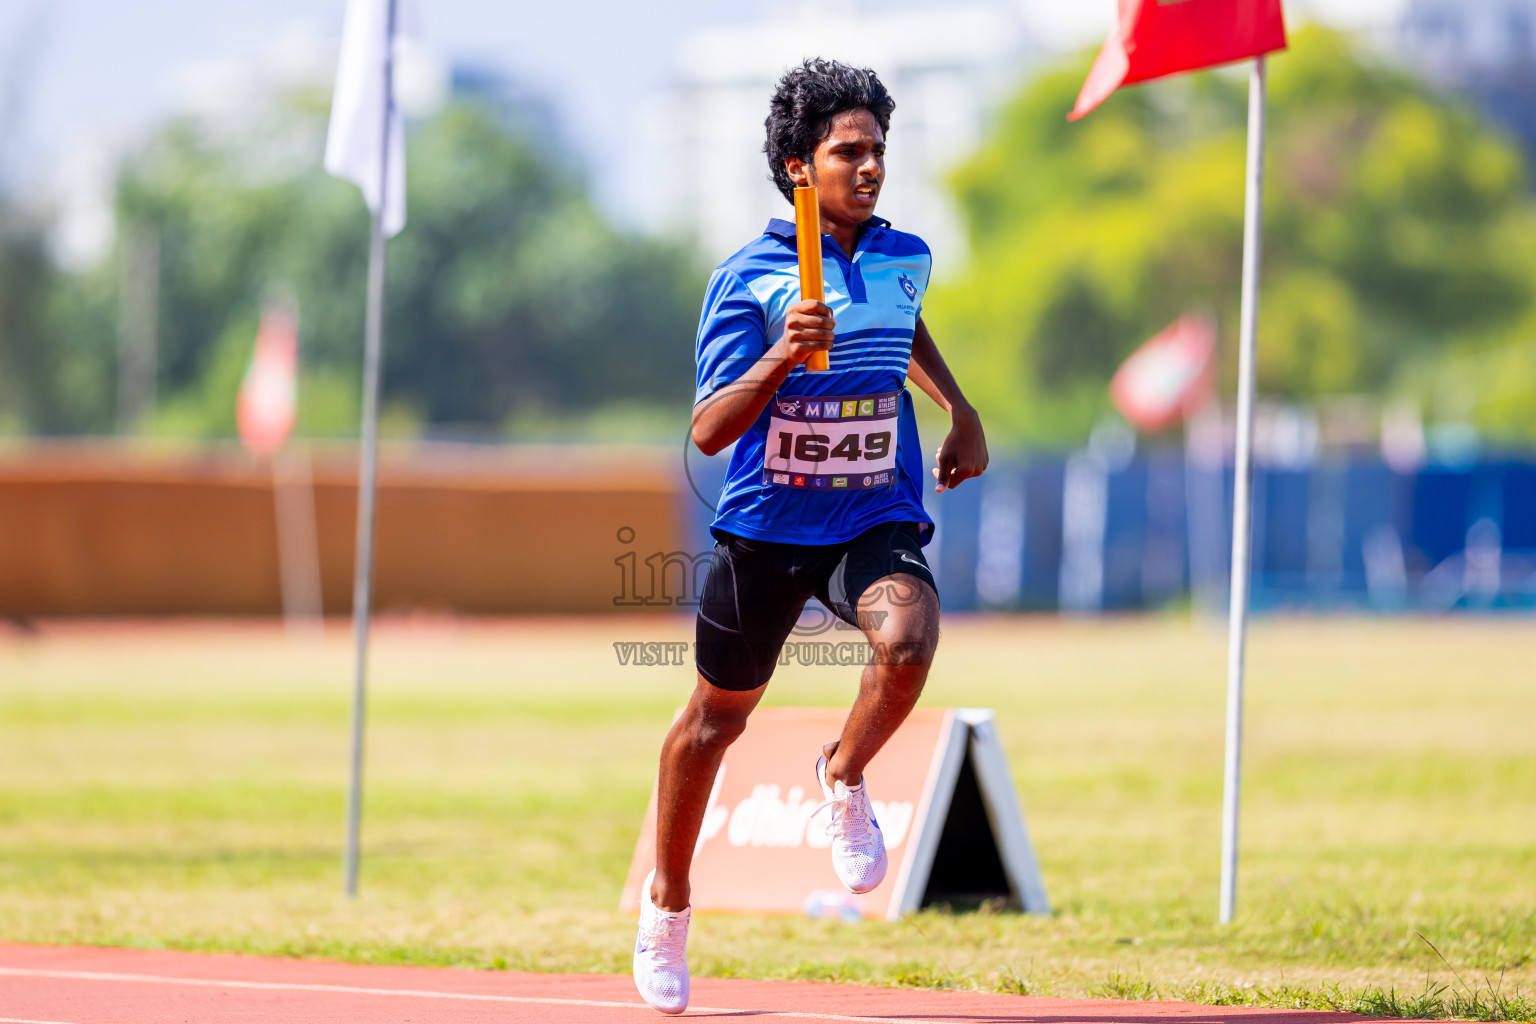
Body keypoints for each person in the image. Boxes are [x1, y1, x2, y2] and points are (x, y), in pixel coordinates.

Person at [632, 58, 989, 1015]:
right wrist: (785, 353)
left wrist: (957, 407)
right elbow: (707, 430)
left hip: (872, 511)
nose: (871, 167)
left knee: (909, 640)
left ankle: (842, 772)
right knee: (715, 721)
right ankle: (666, 906)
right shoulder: (746, 279)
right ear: (800, 168)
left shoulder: (907, 252)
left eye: (879, 149)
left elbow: (905, 325)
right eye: (849, 151)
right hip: (766, 527)